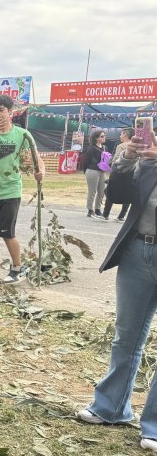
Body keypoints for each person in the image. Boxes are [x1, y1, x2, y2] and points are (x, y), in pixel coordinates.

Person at [77, 131, 157, 452]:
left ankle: (153, 425)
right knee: (126, 337)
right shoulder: (150, 160)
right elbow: (120, 195)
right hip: (139, 251)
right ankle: (111, 408)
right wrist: (126, 159)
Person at [0, 94, 45, 283]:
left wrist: (41, 171)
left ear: (10, 112)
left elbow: (36, 157)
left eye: (1, 110)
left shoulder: (22, 134)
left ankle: (17, 269)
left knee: (7, 233)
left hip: (10, 191)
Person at [103, 127, 133, 221]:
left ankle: (105, 214)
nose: (120, 136)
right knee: (128, 195)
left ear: (125, 135)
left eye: (121, 134)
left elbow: (116, 160)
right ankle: (121, 216)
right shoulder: (136, 145)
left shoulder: (122, 146)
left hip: (118, 174)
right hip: (131, 174)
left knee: (110, 192)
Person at [80, 129, 108, 218]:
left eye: (104, 136)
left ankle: (97, 209)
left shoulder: (104, 148)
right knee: (92, 191)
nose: (104, 138)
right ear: (96, 138)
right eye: (102, 136)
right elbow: (86, 161)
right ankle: (90, 209)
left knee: (101, 191)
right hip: (92, 170)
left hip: (102, 171)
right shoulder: (91, 148)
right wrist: (86, 171)